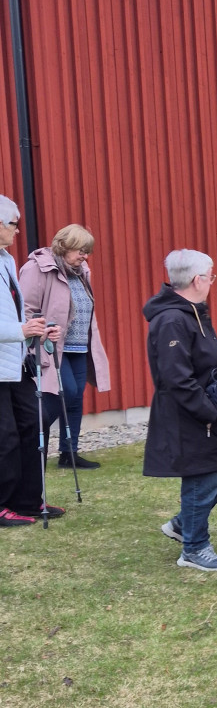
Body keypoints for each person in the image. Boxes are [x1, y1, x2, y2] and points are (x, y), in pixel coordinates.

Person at [143, 249, 217, 571]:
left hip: (210, 412)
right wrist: (210, 414)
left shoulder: (193, 313)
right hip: (191, 416)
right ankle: (194, 548)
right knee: (202, 481)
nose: (212, 282)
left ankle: (182, 524)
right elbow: (177, 380)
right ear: (197, 280)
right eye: (211, 276)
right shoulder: (172, 320)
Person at [19, 224, 111, 471]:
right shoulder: (37, 268)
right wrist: (39, 333)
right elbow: (26, 308)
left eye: (87, 252)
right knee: (65, 391)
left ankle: (69, 453)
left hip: (78, 344)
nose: (85, 256)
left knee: (75, 397)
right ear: (65, 246)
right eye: (81, 250)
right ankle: (30, 439)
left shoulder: (80, 271)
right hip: (51, 344)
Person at [0, 196, 63, 525]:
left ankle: (27, 501)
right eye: (13, 224)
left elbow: (14, 314)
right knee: (5, 437)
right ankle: (2, 505)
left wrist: (36, 330)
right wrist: (20, 330)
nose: (17, 231)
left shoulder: (7, 261)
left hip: (14, 361)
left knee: (36, 422)